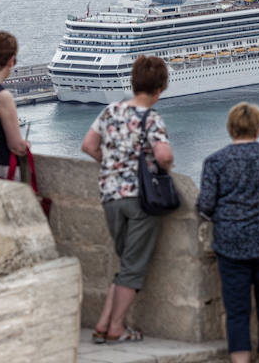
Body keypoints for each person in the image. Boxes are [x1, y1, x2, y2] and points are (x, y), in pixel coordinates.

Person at [196, 102, 259, 363]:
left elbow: (205, 205)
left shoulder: (215, 161)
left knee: (237, 310)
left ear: (230, 129)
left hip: (232, 244)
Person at [81, 56, 174, 344]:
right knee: (133, 266)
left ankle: (102, 323)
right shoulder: (152, 118)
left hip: (109, 196)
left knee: (126, 262)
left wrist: (111, 165)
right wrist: (164, 167)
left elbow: (88, 145)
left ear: (133, 83)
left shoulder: (109, 111)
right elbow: (163, 155)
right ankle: (117, 328)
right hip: (139, 200)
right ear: (160, 89)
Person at [0, 31, 28, 178]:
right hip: (1, 166)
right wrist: (25, 146)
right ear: (11, 60)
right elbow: (16, 146)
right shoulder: (2, 96)